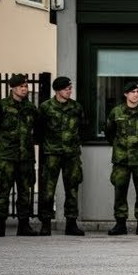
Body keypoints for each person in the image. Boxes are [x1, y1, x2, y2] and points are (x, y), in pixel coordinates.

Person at [0, 73, 39, 237]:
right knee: (3, 191)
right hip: (6, 157)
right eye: (21, 86)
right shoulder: (1, 107)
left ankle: (24, 226)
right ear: (13, 88)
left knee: (25, 192)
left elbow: (37, 129)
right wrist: (4, 145)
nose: (25, 89)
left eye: (26, 86)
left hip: (25, 158)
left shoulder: (30, 108)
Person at [104, 80, 138, 236]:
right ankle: (120, 224)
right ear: (125, 94)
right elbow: (109, 133)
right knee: (120, 192)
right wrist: (119, 147)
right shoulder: (116, 112)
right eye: (133, 92)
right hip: (121, 160)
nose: (136, 95)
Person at [36, 76, 87, 236]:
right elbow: (38, 130)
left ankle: (71, 224)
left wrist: (76, 142)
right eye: (67, 89)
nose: (69, 91)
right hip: (52, 154)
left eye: (70, 88)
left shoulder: (76, 107)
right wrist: (46, 146)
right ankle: (45, 224)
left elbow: (83, 127)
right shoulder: (46, 107)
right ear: (58, 90)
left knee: (72, 189)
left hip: (71, 154)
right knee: (48, 190)